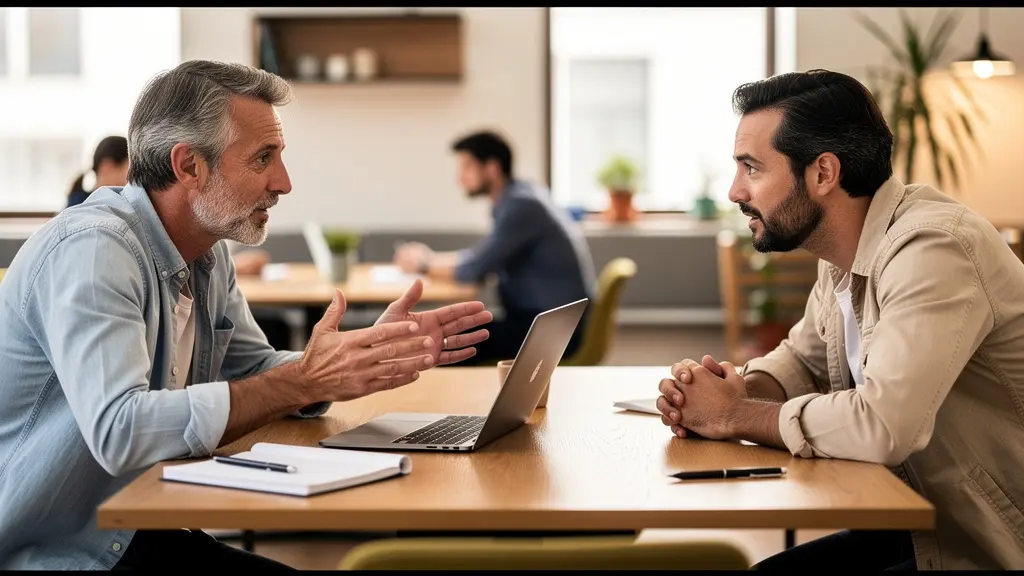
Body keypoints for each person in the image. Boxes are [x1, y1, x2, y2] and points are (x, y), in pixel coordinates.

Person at [0, 60, 493, 570]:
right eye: (263, 158)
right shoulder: (95, 250)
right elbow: (121, 431)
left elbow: (256, 369)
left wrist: (350, 359)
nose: (284, 182)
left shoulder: (207, 254)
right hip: (53, 552)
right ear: (189, 165)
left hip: (132, 532)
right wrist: (303, 380)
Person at [655, 69, 1024, 570]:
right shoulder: (844, 255)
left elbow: (883, 425)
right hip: (922, 521)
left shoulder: (934, 248)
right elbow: (800, 361)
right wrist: (727, 388)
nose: (735, 192)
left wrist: (733, 416)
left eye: (752, 168)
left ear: (823, 173)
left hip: (993, 538)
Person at [394, 130, 596, 364]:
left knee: (449, 339)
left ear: (491, 168)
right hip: (546, 322)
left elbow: (474, 269)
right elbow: (480, 256)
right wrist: (430, 258)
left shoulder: (521, 206)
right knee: (454, 333)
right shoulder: (521, 196)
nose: (460, 178)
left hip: (552, 331)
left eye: (467, 168)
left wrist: (422, 264)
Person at [66, 135, 129, 208]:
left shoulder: (78, 200)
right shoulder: (81, 207)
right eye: (130, 168)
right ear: (107, 167)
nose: (133, 176)